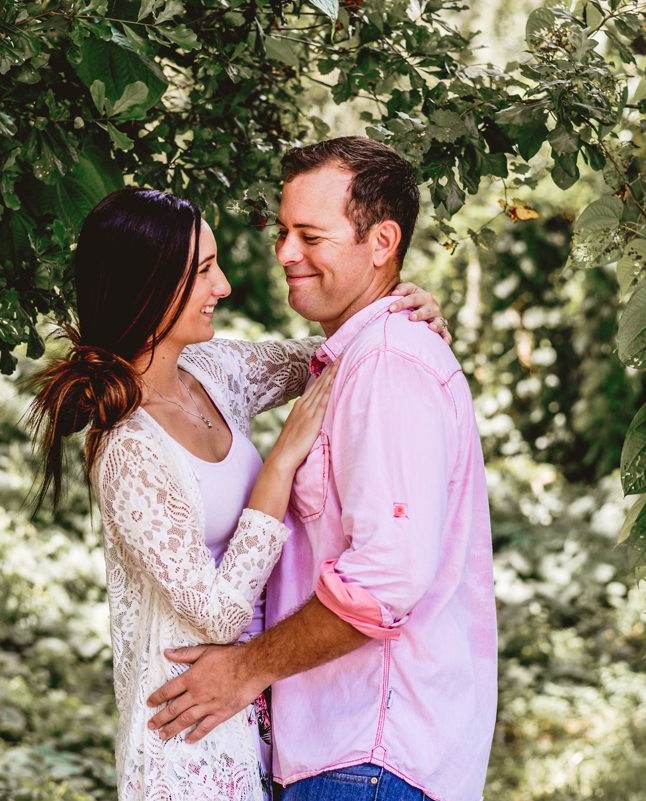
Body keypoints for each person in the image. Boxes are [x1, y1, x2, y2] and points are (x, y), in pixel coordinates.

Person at [24, 187, 451, 801]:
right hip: (187, 741)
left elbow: (337, 357)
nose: (222, 285)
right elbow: (219, 614)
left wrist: (405, 307)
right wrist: (278, 466)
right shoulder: (128, 452)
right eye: (202, 272)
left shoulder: (217, 373)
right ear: (149, 287)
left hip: (259, 720)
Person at [146, 138, 497, 801]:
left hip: (369, 757)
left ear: (381, 240)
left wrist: (246, 668)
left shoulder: (389, 364)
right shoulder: (364, 354)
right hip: (345, 757)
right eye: (284, 231)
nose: (283, 252)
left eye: (310, 234)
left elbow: (385, 578)